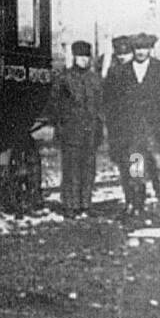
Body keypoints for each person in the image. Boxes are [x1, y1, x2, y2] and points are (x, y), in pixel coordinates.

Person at [107, 33, 160, 233]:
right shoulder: (120, 73)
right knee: (136, 173)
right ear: (133, 50)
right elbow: (112, 104)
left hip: (158, 135)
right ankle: (136, 208)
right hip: (134, 137)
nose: (141, 52)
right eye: (138, 48)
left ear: (151, 49)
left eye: (145, 48)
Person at [48, 41, 103, 216]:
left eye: (87, 57)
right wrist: (60, 126)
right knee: (71, 170)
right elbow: (55, 105)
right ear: (74, 57)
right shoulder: (64, 78)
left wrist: (99, 127)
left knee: (88, 170)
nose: (84, 60)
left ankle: (85, 204)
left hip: (91, 132)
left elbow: (100, 105)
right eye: (80, 57)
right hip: (71, 132)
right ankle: (70, 206)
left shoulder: (94, 79)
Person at [102, 35, 142, 212]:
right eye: (119, 53)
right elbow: (108, 102)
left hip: (138, 133)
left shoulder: (140, 72)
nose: (122, 56)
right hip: (119, 132)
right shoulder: (113, 74)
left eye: (125, 53)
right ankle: (129, 202)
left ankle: (138, 203)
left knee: (137, 169)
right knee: (125, 170)